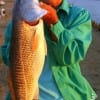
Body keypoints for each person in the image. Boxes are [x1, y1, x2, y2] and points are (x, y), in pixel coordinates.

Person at [0, 0, 97, 99]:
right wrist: (21, 41)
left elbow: (70, 56)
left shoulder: (79, 15)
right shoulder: (15, 24)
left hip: (66, 95)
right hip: (25, 93)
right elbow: (8, 60)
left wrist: (54, 23)